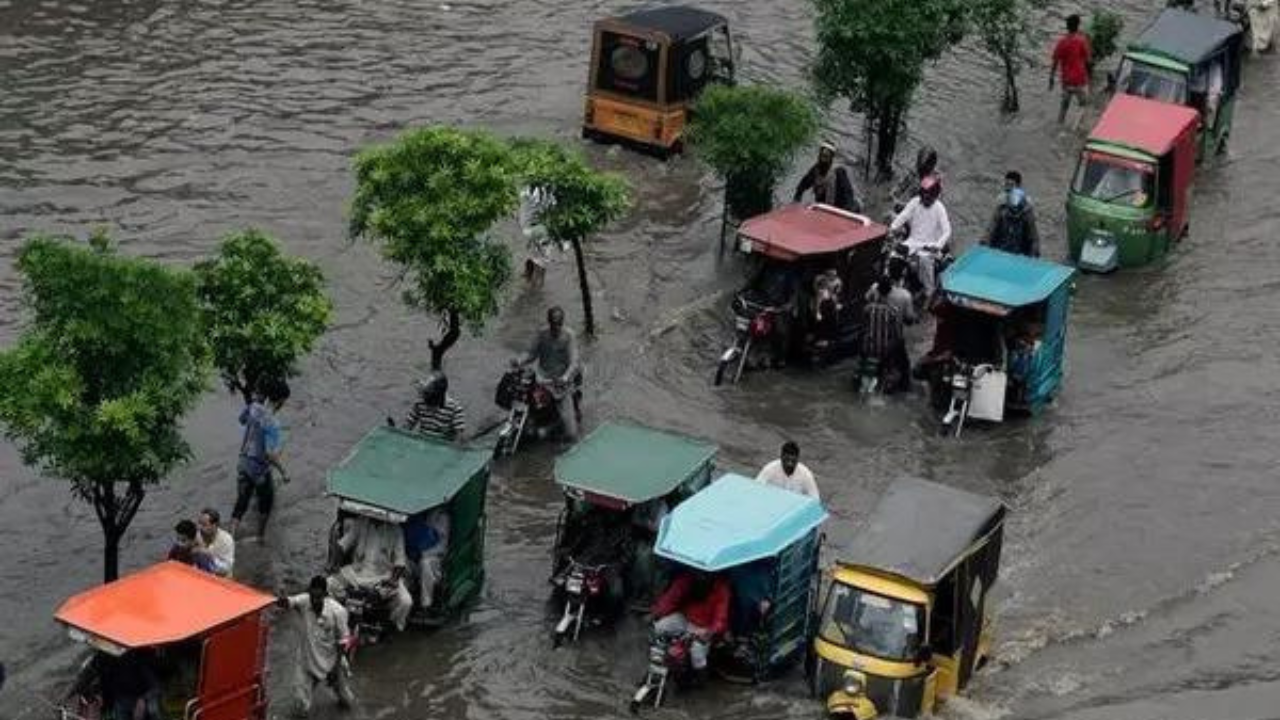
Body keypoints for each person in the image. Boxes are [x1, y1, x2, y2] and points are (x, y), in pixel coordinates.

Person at [278, 576, 355, 716]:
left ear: (326, 595)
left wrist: (335, 669)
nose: (314, 601)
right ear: (309, 593)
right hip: (308, 662)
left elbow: (344, 641)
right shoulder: (304, 601)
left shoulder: (338, 611)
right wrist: (282, 596)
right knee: (300, 706)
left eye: (318, 597)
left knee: (347, 702)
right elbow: (287, 602)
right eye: (312, 596)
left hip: (332, 661)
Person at [329, 514, 412, 632]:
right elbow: (343, 545)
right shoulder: (361, 522)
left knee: (405, 602)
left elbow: (400, 561)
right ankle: (337, 616)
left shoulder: (396, 530)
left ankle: (391, 626)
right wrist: (334, 564)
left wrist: (392, 580)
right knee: (329, 584)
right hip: (357, 573)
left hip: (383, 576)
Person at [231, 378, 289, 539]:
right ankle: (260, 538)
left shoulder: (253, 407)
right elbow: (270, 455)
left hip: (242, 463)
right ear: (280, 401)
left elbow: (241, 420)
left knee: (241, 502)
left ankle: (232, 538)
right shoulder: (273, 423)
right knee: (266, 504)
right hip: (259, 470)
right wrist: (284, 472)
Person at [515, 306, 582, 442]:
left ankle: (554, 428)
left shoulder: (569, 336)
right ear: (548, 321)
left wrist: (566, 376)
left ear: (562, 323)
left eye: (558, 324)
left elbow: (574, 361)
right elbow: (531, 353)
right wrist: (519, 360)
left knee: (571, 434)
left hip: (560, 382)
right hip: (543, 379)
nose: (555, 327)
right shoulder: (542, 334)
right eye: (552, 323)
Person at [651, 571, 732, 680]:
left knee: (697, 653)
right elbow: (670, 599)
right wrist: (657, 613)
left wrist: (709, 632)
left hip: (704, 626)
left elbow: (720, 619)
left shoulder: (722, 589)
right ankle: (658, 661)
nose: (701, 577)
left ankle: (700, 678)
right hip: (684, 618)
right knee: (659, 627)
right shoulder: (687, 579)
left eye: (704, 576)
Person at [889, 174, 952, 299]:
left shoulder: (939, 208)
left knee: (924, 261)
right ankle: (896, 284)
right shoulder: (915, 202)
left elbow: (947, 230)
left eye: (928, 198)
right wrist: (892, 229)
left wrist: (937, 245)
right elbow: (903, 216)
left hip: (929, 246)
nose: (925, 200)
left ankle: (929, 291)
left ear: (934, 196)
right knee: (894, 256)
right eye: (923, 197)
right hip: (912, 242)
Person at [862, 279, 911, 393]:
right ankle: (903, 385)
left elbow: (864, 328)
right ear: (889, 293)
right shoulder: (893, 311)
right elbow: (895, 334)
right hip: (885, 350)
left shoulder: (868, 309)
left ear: (877, 292)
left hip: (868, 348)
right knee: (904, 363)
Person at [402, 507, 450, 612]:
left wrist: (423, 554)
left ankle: (426, 604)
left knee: (426, 563)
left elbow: (442, 547)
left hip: (431, 560)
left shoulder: (441, 517)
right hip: (412, 556)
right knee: (401, 560)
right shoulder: (412, 511)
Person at [793, 142, 862, 212]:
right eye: (822, 155)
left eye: (826, 156)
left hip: (839, 208)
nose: (824, 157)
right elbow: (803, 184)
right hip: (822, 208)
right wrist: (797, 198)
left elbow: (848, 192)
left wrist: (848, 209)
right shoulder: (815, 170)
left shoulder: (839, 171)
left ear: (831, 157)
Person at [985, 171, 1041, 257]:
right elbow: (991, 230)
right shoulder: (1001, 208)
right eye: (1006, 185)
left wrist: (1033, 255)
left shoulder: (1026, 211)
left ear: (1018, 187)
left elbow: (1033, 236)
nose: (1008, 189)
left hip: (1019, 256)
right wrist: (985, 245)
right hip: (1000, 253)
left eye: (1011, 185)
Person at [1050, 14, 1092, 124]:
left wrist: (1051, 78)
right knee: (1083, 105)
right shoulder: (1082, 41)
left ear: (1067, 26)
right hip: (1080, 80)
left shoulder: (1061, 42)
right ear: (1078, 26)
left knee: (1063, 109)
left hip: (1067, 81)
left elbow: (1055, 61)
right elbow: (1088, 61)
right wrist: (1090, 76)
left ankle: (1059, 127)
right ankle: (1076, 127)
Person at [402, 372, 466, 442]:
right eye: (424, 393)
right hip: (422, 443)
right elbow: (407, 426)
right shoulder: (420, 403)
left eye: (428, 394)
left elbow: (459, 439)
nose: (424, 398)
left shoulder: (455, 409)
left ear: (439, 397)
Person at [755, 442, 820, 500]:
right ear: (781, 456)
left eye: (793, 460)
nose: (789, 464)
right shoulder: (769, 469)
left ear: (797, 459)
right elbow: (756, 490)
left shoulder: (806, 474)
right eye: (787, 459)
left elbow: (815, 499)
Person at [195, 508, 235, 577]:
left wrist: (209, 556)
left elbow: (227, 568)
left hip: (220, 580)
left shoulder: (227, 540)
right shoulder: (197, 535)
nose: (199, 527)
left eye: (204, 525)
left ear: (214, 525)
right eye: (199, 523)